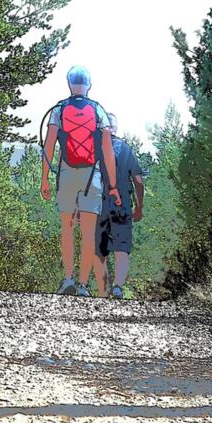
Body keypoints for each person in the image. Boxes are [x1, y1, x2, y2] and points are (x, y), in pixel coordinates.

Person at [40, 66, 120, 298]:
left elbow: (49, 146)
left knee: (67, 228)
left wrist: (45, 177)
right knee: (88, 232)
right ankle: (83, 285)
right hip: (92, 175)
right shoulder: (98, 111)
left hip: (66, 173)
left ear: (68, 84)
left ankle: (68, 279)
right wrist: (112, 185)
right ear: (89, 85)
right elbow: (107, 152)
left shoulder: (58, 110)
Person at [95, 112, 144, 300]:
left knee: (100, 250)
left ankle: (102, 291)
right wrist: (139, 207)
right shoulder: (126, 149)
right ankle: (117, 288)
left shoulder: (96, 150)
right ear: (116, 128)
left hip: (99, 203)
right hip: (122, 204)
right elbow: (138, 181)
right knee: (121, 248)